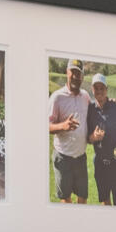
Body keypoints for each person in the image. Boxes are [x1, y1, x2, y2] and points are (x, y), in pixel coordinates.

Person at [48, 66, 92, 202]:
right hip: (63, 158)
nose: (75, 76)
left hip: (81, 158)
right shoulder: (57, 97)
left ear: (82, 77)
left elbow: (95, 114)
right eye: (73, 72)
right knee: (66, 199)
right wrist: (63, 126)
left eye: (79, 73)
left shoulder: (85, 96)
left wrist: (112, 103)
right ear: (67, 73)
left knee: (82, 198)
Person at [87, 77, 116, 206]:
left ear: (107, 90)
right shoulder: (90, 110)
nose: (99, 91)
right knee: (105, 200)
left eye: (102, 88)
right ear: (92, 89)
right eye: (96, 88)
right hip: (99, 163)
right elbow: (87, 139)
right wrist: (94, 137)